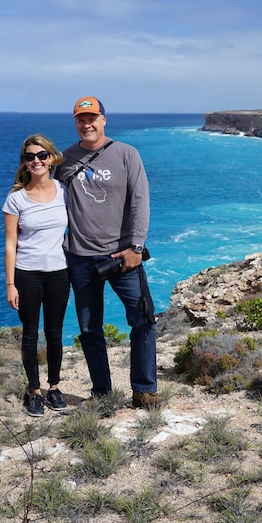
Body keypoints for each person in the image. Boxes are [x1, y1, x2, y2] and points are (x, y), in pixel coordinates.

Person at [55, 96, 165, 409]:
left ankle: (144, 390)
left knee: (143, 320)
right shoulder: (65, 160)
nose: (86, 124)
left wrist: (136, 247)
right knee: (90, 329)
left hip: (122, 258)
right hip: (80, 258)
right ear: (75, 122)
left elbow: (140, 202)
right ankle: (102, 393)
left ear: (104, 119)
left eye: (92, 118)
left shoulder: (126, 154)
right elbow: (47, 197)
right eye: (80, 119)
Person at [3, 134, 71, 417]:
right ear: (25, 162)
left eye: (42, 155)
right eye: (30, 157)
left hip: (59, 272)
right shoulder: (16, 199)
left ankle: (54, 387)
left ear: (52, 158)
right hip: (27, 274)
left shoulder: (64, 190)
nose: (36, 161)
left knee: (55, 333)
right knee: (30, 335)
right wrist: (10, 284)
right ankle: (34, 392)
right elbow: (10, 243)